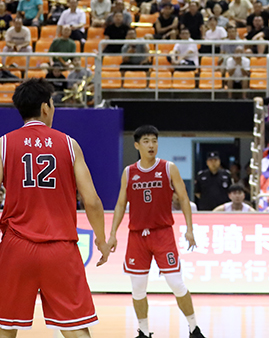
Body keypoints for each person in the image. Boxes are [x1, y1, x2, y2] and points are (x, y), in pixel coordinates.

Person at [0, 79, 111, 335]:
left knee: (6, 328)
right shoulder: (69, 144)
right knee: (74, 328)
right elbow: (92, 201)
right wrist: (102, 239)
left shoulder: (4, 144)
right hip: (59, 248)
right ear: (45, 108)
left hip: (16, 246)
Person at [108, 125, 205, 338]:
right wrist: (113, 233)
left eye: (154, 141)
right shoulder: (128, 172)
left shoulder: (169, 168)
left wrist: (189, 228)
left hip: (162, 234)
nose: (151, 145)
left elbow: (184, 199)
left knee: (176, 284)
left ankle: (194, 328)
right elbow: (120, 205)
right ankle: (143, 331)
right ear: (136, 145)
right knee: (138, 289)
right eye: (146, 141)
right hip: (137, 236)